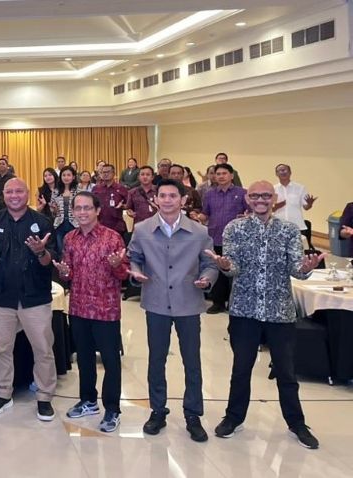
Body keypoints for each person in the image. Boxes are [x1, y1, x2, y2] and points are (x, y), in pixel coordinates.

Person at [208, 180, 324, 449]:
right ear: (247, 199)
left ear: (274, 199)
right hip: (244, 311)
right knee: (241, 369)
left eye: (265, 195)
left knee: (286, 372)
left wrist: (306, 268)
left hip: (280, 312)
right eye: (255, 195)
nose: (260, 200)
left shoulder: (289, 230)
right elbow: (233, 267)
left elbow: (296, 269)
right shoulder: (234, 228)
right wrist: (225, 266)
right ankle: (233, 418)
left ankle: (296, 423)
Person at [127, 179, 218, 442]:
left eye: (173, 196)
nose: (167, 200)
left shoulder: (199, 231)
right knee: (157, 360)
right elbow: (135, 258)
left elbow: (209, 264)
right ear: (155, 199)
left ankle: (193, 414)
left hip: (188, 302)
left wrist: (207, 279)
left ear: (183, 200)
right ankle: (158, 410)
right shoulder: (142, 229)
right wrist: (136, 272)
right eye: (162, 195)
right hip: (156, 302)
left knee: (192, 361)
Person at [0, 177, 58, 420]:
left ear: (27, 193)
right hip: (1, 295)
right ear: (3, 195)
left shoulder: (42, 222)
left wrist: (41, 252)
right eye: (9, 192)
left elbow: (51, 261)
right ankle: (3, 393)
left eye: (19, 191)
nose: (14, 196)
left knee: (43, 349)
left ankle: (44, 397)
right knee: (1, 348)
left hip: (35, 296)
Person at [54, 192, 129, 433]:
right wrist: (64, 272)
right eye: (78, 208)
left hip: (106, 309)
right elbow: (69, 274)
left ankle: (113, 409)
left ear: (97, 210)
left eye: (87, 208)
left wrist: (117, 266)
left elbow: (124, 273)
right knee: (84, 358)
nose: (82, 212)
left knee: (110, 360)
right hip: (79, 307)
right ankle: (88, 400)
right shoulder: (70, 238)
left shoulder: (112, 238)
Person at [196, 163, 248, 314]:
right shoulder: (209, 194)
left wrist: (246, 217)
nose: (221, 176)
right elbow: (205, 214)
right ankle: (217, 302)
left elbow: (250, 212)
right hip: (215, 237)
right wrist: (197, 216)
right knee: (217, 271)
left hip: (236, 239)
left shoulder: (242, 193)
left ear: (231, 176)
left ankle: (234, 302)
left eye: (224, 173)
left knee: (235, 271)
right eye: (218, 174)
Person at [273, 163, 317, 244]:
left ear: (290, 172)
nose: (283, 172)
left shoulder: (300, 188)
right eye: (280, 170)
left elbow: (306, 207)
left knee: (297, 249)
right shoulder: (273, 189)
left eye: (285, 170)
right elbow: (270, 210)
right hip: (278, 226)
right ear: (276, 174)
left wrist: (309, 204)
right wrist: (277, 206)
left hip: (297, 225)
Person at [91, 164, 129, 240]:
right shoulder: (96, 189)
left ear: (113, 173)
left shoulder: (121, 188)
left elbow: (129, 205)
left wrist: (123, 206)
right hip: (99, 225)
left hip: (117, 226)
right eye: (103, 172)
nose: (105, 174)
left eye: (108, 172)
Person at [50, 167, 78, 255]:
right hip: (59, 224)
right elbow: (53, 211)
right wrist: (54, 209)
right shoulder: (56, 191)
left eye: (69, 175)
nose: (66, 177)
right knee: (61, 250)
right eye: (64, 175)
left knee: (74, 250)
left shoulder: (78, 191)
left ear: (73, 177)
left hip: (75, 225)